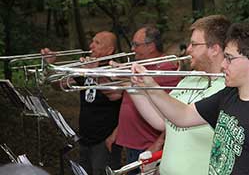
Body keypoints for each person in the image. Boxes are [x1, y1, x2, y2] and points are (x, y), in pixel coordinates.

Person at [131, 23, 249, 174]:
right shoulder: (229, 95)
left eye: (229, 58)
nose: (223, 64)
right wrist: (149, 85)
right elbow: (183, 116)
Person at [128, 15, 230, 175]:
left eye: (194, 44)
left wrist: (150, 84)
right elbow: (162, 121)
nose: (188, 49)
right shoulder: (190, 79)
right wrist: (131, 85)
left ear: (214, 49)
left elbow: (184, 116)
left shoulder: (228, 89)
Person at [41, 31, 123, 175]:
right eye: (92, 41)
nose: (91, 46)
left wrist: (94, 72)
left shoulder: (116, 69)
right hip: (85, 139)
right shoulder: (87, 66)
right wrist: (50, 66)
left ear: (109, 50)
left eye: (97, 43)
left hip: (105, 140)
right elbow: (58, 85)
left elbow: (115, 95)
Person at [107, 25, 181, 174]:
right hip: (132, 142)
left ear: (151, 46)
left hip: (147, 145)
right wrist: (118, 130)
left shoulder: (165, 70)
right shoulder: (140, 66)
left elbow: (173, 113)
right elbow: (124, 99)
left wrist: (158, 144)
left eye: (136, 44)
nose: (132, 48)